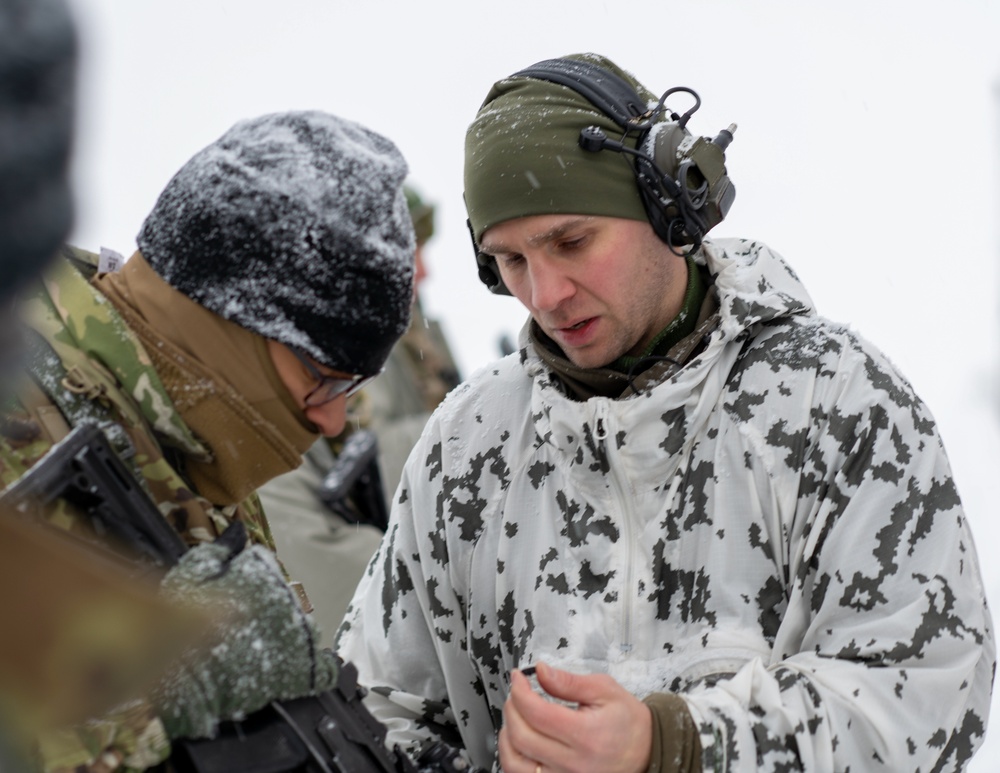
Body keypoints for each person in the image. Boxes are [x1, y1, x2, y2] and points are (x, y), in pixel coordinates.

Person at [335, 53, 995, 772]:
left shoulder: (836, 406)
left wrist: (674, 747)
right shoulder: (466, 448)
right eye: (512, 260)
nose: (545, 292)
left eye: (571, 241)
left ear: (666, 204)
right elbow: (373, 709)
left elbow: (928, 693)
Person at [0, 110, 415, 772]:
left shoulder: (190, 435)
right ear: (222, 321)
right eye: (321, 377)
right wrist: (149, 712)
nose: (331, 422)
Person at [259, 183, 461, 644]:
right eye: (409, 254)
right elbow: (309, 537)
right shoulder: (303, 355)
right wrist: (478, 425)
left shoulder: (408, 337)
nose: (424, 272)